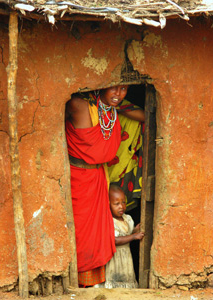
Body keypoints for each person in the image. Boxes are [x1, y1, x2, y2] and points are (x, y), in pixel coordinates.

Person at [65, 85, 129, 287]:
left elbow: (144, 115)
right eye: (114, 89)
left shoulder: (113, 110)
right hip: (76, 178)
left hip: (98, 178)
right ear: (101, 86)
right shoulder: (78, 104)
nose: (118, 94)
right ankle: (72, 280)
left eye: (124, 89)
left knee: (94, 233)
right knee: (79, 231)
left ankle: (90, 283)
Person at [103, 184, 145, 288]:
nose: (121, 206)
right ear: (108, 204)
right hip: (115, 258)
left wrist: (135, 230)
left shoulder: (127, 218)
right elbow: (115, 240)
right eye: (116, 204)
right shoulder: (110, 222)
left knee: (127, 278)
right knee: (115, 281)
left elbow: (128, 233)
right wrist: (134, 237)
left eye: (123, 202)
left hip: (126, 257)